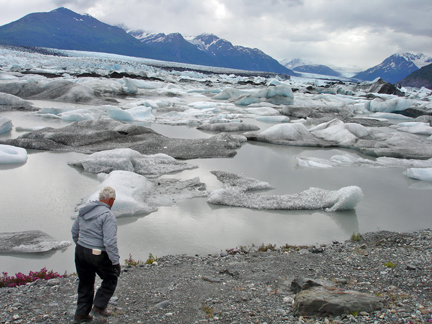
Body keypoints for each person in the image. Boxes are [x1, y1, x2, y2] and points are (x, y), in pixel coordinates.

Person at [71, 186, 121, 322]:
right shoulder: (107, 215)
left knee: (85, 282)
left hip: (80, 250)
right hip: (97, 253)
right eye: (113, 200)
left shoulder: (85, 210)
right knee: (111, 277)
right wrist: (115, 262)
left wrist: (81, 245)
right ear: (110, 200)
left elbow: (74, 231)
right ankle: (99, 306)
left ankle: (81, 314)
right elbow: (109, 242)